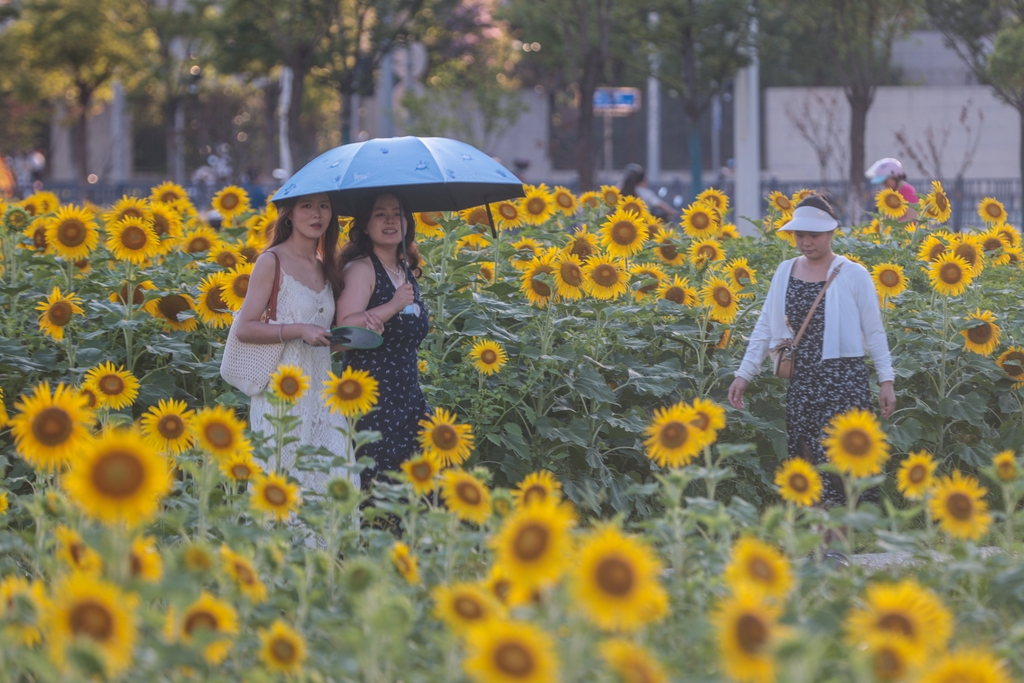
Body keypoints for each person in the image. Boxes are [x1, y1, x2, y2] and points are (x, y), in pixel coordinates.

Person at [727, 195, 896, 512]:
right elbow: (766, 325)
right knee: (807, 457)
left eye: (813, 235)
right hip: (802, 381)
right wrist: (744, 373)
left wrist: (886, 380)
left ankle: (840, 540)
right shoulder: (785, 271)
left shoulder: (853, 273)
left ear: (831, 233)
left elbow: (874, 330)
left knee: (843, 459)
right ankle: (820, 537)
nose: (805, 242)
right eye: (799, 235)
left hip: (844, 380)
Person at [234, 192, 382, 492]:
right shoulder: (271, 261)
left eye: (324, 206)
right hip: (282, 395)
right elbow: (244, 328)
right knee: (285, 484)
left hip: (322, 394)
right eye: (307, 206)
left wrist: (358, 333)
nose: (317, 214)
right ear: (288, 214)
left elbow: (323, 339)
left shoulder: (325, 264)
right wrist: (298, 329)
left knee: (337, 480)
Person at [335, 193, 430, 490]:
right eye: (380, 214)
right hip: (373, 401)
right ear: (364, 225)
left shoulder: (404, 270)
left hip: (408, 397)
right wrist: (391, 306)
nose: (390, 220)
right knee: (380, 489)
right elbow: (344, 329)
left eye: (397, 214)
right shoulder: (361, 268)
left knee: (418, 487)